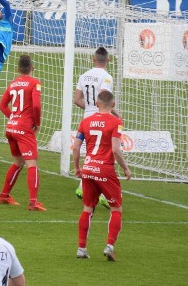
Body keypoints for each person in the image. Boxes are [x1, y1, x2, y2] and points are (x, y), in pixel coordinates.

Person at [73, 90, 132, 261]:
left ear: (97, 104)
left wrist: (77, 167)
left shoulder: (85, 121)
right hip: (106, 170)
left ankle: (81, 248)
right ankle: (110, 246)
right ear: (113, 105)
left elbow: (76, 147)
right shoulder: (116, 122)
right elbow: (115, 149)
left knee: (88, 208)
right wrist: (126, 168)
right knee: (116, 208)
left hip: (88, 168)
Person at [73, 47, 121, 208]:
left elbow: (77, 99)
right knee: (103, 155)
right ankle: (101, 193)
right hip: (102, 119)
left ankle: (82, 187)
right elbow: (104, 98)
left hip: (87, 119)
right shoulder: (106, 77)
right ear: (108, 60)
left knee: (90, 154)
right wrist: (115, 113)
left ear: (93, 59)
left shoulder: (84, 75)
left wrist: (88, 109)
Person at [0, 55, 45, 211]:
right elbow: (36, 106)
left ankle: (4, 195)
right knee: (32, 164)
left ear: (18, 69)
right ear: (32, 67)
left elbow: (2, 105)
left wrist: (14, 117)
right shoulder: (35, 83)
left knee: (18, 162)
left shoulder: (13, 83)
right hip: (24, 129)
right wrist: (36, 123)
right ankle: (33, 202)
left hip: (11, 128)